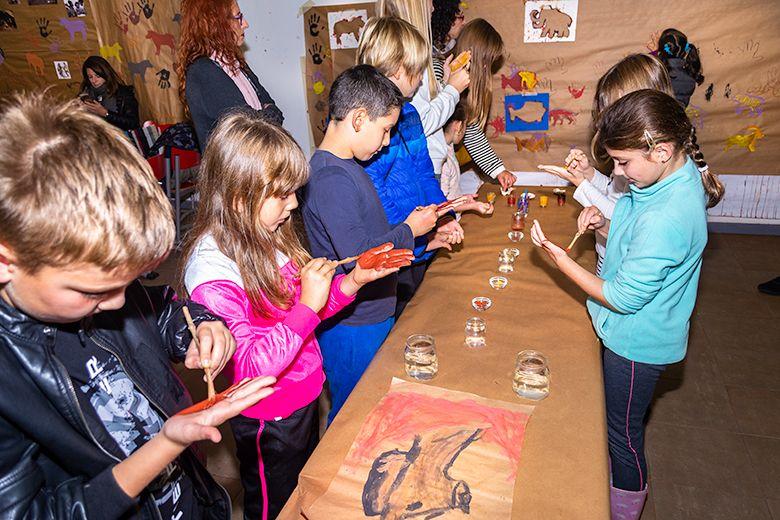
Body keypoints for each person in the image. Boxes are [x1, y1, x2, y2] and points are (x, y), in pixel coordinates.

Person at [0, 92, 276, 519]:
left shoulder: (104, 289)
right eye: (93, 293)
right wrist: (165, 445)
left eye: (129, 283)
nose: (118, 303)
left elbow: (163, 307)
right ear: (6, 262)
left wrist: (200, 325)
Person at [180, 110, 410, 520]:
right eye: (282, 194)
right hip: (270, 417)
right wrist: (307, 304)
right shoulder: (212, 272)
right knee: (273, 505)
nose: (294, 204)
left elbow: (311, 312)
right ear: (240, 196)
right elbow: (250, 364)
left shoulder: (267, 233)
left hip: (303, 396)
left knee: (303, 490)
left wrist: (353, 281)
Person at [530, 89, 724, 520]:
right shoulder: (672, 174)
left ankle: (623, 511)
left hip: (637, 344)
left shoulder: (668, 215)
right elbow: (636, 224)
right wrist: (608, 220)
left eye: (622, 163)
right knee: (618, 424)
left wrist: (563, 263)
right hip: (633, 332)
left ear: (662, 149)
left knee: (624, 435)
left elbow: (621, 296)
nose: (617, 173)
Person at [301, 65, 439, 423]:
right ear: (359, 119)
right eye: (385, 130)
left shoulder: (348, 166)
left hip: (370, 315)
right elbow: (360, 257)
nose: (387, 141)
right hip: (352, 325)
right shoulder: (330, 177)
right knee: (351, 413)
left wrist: (423, 234)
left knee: (370, 404)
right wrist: (410, 228)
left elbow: (371, 232)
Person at [358, 16, 464, 317]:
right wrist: (416, 235)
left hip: (419, 239)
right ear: (394, 70)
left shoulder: (411, 116)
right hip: (397, 245)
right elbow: (378, 198)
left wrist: (444, 216)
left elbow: (424, 174)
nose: (420, 79)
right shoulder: (367, 127)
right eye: (416, 71)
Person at [538, 54, 674, 274]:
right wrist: (590, 174)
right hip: (607, 251)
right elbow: (615, 191)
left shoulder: (649, 165)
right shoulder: (634, 156)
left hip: (623, 261)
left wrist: (582, 185)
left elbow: (618, 217)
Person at [377, 0, 471, 182]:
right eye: (429, 2)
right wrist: (453, 90)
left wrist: (444, 83)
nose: (434, 8)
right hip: (421, 166)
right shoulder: (409, 55)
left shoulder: (405, 50)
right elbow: (421, 122)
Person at [178, 0, 284, 150]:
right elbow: (250, 130)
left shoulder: (235, 63)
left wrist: (265, 113)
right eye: (238, 17)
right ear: (215, 23)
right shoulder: (203, 71)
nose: (245, 24)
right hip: (232, 172)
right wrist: (266, 112)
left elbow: (276, 111)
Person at [440, 18, 517, 190]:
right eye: (485, 61)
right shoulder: (440, 71)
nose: (485, 68)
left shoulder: (469, 83)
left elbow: (471, 131)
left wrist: (498, 170)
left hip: (446, 160)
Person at [439, 102, 493, 215]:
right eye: (466, 126)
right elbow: (440, 206)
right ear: (458, 126)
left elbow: (448, 195)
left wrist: (462, 199)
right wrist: (471, 206)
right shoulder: (442, 160)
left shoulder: (448, 148)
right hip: (448, 226)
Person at [79, 55, 139, 131]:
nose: (94, 81)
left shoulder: (122, 93)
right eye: (90, 77)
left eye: (97, 76)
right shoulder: (86, 93)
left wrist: (106, 113)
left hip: (118, 137)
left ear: (105, 74)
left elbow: (133, 122)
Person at [656, 28, 704, 107]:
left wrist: (655, 52)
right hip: (678, 117)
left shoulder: (659, 73)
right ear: (684, 51)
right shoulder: (690, 78)